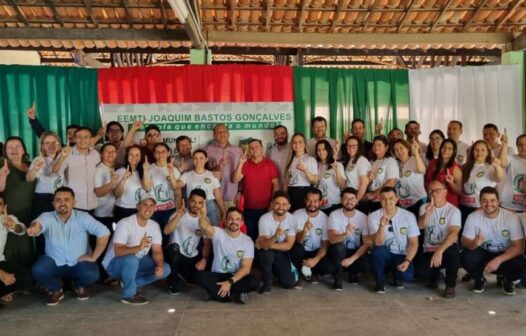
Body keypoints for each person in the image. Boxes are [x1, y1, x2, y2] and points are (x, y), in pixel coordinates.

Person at [28, 187, 110, 306]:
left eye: (67, 199)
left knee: (92, 274)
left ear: (74, 202)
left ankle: (79, 286)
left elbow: (104, 232)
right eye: (58, 200)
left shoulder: (83, 217)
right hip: (54, 262)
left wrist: (94, 256)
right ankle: (56, 289)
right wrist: (35, 227)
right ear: (53, 203)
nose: (62, 203)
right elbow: (38, 223)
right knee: (38, 269)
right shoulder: (47, 216)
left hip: (79, 262)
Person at [102, 192, 171, 305]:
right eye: (145, 204)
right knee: (131, 259)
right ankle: (128, 295)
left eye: (151, 205)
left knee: (166, 269)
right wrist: (138, 247)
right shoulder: (125, 223)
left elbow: (157, 251)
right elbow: (118, 251)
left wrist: (160, 265)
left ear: (155, 208)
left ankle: (131, 283)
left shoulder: (154, 225)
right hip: (114, 264)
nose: (148, 208)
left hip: (136, 261)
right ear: (138, 206)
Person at [461, 187, 526, 295]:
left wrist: (498, 260)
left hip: (505, 253)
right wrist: (474, 243)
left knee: (520, 263)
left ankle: (507, 279)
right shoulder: (473, 217)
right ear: (480, 202)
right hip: (483, 251)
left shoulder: (511, 217)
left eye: (492, 200)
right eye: (484, 200)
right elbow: (463, 241)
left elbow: (519, 247)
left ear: (498, 201)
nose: (488, 204)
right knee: (465, 256)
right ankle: (479, 278)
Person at [194, 206, 259, 304]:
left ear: (242, 223)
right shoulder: (218, 233)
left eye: (237, 219)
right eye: (231, 218)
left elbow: (246, 268)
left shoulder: (247, 241)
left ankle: (217, 293)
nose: (234, 221)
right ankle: (236, 293)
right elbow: (205, 226)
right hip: (217, 275)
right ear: (225, 220)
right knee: (198, 276)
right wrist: (202, 217)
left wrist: (230, 282)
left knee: (254, 281)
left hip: (235, 277)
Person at [369, 187, 419, 293]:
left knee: (408, 277)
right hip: (385, 254)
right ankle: (380, 282)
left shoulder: (409, 216)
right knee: (377, 251)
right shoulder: (373, 216)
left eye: (391, 198)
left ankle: (397, 276)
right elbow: (378, 243)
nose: (387, 201)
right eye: (384, 198)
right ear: (379, 200)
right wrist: (381, 226)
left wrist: (407, 261)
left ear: (397, 199)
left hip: (401, 255)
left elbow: (414, 243)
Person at [416, 180, 461, 298]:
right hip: (429, 249)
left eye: (438, 190)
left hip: (445, 249)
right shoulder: (424, 207)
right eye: (431, 190)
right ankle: (434, 276)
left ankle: (450, 286)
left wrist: (439, 251)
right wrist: (427, 214)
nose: (434, 193)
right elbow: (421, 225)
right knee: (419, 273)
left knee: (454, 253)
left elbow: (453, 233)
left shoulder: (453, 210)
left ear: (445, 192)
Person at [164, 189, 210, 295]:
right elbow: (166, 231)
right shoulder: (178, 214)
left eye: (200, 203)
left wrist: (204, 259)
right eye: (193, 201)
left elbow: (206, 244)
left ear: (203, 204)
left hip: (191, 256)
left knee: (196, 279)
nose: (196, 205)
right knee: (174, 248)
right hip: (175, 254)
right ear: (188, 201)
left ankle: (181, 273)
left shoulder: (205, 219)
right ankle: (173, 281)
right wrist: (178, 216)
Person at [233, 139, 279, 241]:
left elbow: (276, 185)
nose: (254, 149)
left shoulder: (270, 164)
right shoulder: (245, 164)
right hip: (249, 208)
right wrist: (240, 163)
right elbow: (235, 179)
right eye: (251, 148)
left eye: (256, 147)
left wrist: (273, 203)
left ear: (262, 148)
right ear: (249, 150)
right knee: (250, 236)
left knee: (265, 236)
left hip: (266, 208)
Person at [0, 136, 36, 267]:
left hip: (27, 214)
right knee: (9, 250)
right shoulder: (1, 164)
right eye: (10, 147)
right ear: (5, 151)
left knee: (27, 249)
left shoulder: (31, 165)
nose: (14, 150)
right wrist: (2, 176)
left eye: (17, 146)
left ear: (23, 149)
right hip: (8, 216)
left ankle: (26, 282)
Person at [328, 187, 371, 290]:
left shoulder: (363, 217)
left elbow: (367, 244)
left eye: (352, 198)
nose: (349, 201)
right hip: (339, 251)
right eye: (346, 198)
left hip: (354, 252)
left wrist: (351, 260)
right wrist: (345, 234)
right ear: (341, 200)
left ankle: (353, 272)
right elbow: (332, 240)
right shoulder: (334, 215)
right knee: (339, 247)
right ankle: (338, 277)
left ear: (356, 201)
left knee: (368, 263)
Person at [290, 188, 333, 288]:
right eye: (309, 200)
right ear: (305, 201)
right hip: (301, 252)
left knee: (329, 267)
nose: (312, 204)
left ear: (320, 202)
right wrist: (304, 230)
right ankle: (298, 275)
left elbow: (325, 244)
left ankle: (313, 272)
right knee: (297, 248)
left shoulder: (325, 218)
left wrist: (315, 260)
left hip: (316, 252)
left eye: (315, 201)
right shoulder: (296, 215)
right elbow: (296, 241)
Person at [256, 191, 297, 293]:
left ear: (289, 206)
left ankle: (276, 273)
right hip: (265, 253)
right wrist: (275, 236)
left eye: (284, 204)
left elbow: (288, 246)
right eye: (277, 203)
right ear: (272, 204)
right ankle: (267, 282)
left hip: (281, 252)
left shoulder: (292, 219)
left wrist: (267, 244)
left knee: (289, 283)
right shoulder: (264, 219)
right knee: (267, 254)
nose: (280, 207)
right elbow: (265, 247)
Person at [52, 127, 101, 214]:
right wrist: (62, 157)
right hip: (74, 203)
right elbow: (55, 171)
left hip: (92, 202)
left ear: (91, 139)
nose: (83, 140)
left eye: (86, 137)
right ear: (74, 139)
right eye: (79, 137)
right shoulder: (67, 153)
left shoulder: (96, 154)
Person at [176, 150, 226, 227]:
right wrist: (177, 171)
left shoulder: (212, 175)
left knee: (212, 230)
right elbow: (176, 186)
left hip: (209, 205)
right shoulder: (187, 175)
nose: (198, 160)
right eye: (195, 158)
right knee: (194, 230)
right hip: (193, 205)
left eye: (201, 158)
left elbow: (218, 195)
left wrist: (224, 211)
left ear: (206, 159)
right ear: (192, 160)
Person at [459, 140, 504, 224]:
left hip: (481, 208)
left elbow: (499, 178)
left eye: (483, 150)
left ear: (488, 152)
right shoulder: (464, 167)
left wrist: (497, 166)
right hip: (463, 207)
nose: (479, 152)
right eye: (476, 150)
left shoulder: (490, 167)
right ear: (472, 152)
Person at [0, 194, 32, 307]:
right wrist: (1, 274)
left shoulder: (5, 218)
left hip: (1, 261)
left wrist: (13, 226)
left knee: (25, 278)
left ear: (4, 207)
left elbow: (22, 230)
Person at [205, 124, 243, 208]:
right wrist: (218, 166)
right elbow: (203, 172)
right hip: (213, 196)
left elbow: (242, 172)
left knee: (232, 220)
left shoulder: (238, 150)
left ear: (228, 134)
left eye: (224, 131)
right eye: (219, 132)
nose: (222, 134)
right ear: (214, 135)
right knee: (215, 221)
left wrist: (240, 191)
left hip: (232, 195)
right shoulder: (208, 150)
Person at [113, 145, 152, 222]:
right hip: (123, 210)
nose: (134, 157)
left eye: (137, 155)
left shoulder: (144, 171)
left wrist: (146, 170)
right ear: (127, 156)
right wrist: (123, 179)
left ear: (141, 157)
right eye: (131, 154)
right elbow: (117, 194)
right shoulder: (120, 172)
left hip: (140, 210)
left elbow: (147, 188)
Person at [149, 142, 181, 235]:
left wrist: (177, 212)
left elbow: (178, 194)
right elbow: (146, 189)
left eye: (163, 151)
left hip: (170, 210)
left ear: (168, 153)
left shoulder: (174, 170)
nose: (161, 154)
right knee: (154, 237)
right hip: (154, 211)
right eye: (157, 152)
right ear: (154, 154)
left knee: (168, 237)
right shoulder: (149, 169)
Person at [392, 139, 427, 219]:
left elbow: (422, 170)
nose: (399, 151)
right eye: (396, 150)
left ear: (407, 148)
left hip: (417, 201)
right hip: (403, 204)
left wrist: (416, 154)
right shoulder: (396, 164)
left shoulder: (414, 160)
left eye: (401, 148)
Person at [284, 133, 319, 212]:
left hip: (304, 192)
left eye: (300, 142)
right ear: (292, 145)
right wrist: (285, 195)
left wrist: (305, 170)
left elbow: (315, 180)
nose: (297, 144)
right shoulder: (290, 160)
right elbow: (286, 179)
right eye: (294, 142)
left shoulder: (310, 159)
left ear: (305, 144)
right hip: (291, 193)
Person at [364, 135, 398, 213]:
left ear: (386, 147)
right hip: (372, 201)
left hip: (384, 201)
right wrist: (370, 180)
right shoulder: (371, 162)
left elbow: (391, 182)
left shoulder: (390, 161)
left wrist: (373, 194)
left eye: (379, 145)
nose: (376, 147)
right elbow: (371, 184)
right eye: (374, 145)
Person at [425, 139, 463, 207]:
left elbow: (459, 191)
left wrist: (451, 183)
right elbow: (427, 182)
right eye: (444, 147)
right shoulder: (432, 163)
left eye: (450, 148)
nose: (446, 150)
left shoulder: (456, 169)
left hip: (449, 205)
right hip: (432, 203)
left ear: (454, 152)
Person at [315, 140, 345, 214]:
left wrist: (337, 170)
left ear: (328, 150)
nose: (321, 152)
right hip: (320, 206)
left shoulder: (337, 164)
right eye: (319, 150)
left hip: (334, 205)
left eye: (323, 149)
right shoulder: (316, 165)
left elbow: (342, 185)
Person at [341, 136, 371, 210]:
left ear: (359, 147)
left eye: (354, 145)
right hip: (349, 196)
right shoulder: (349, 161)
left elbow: (364, 182)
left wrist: (356, 200)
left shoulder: (362, 161)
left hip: (357, 198)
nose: (351, 147)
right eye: (348, 145)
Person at [94, 143, 119, 232]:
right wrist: (111, 183)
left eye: (113, 151)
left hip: (115, 212)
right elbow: (98, 193)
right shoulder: (99, 170)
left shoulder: (117, 168)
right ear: (101, 154)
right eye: (107, 151)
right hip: (102, 214)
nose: (110, 153)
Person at [498, 134, 526, 212]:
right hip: (509, 205)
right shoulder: (511, 158)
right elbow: (502, 163)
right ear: (516, 146)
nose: (523, 147)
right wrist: (505, 144)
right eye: (520, 145)